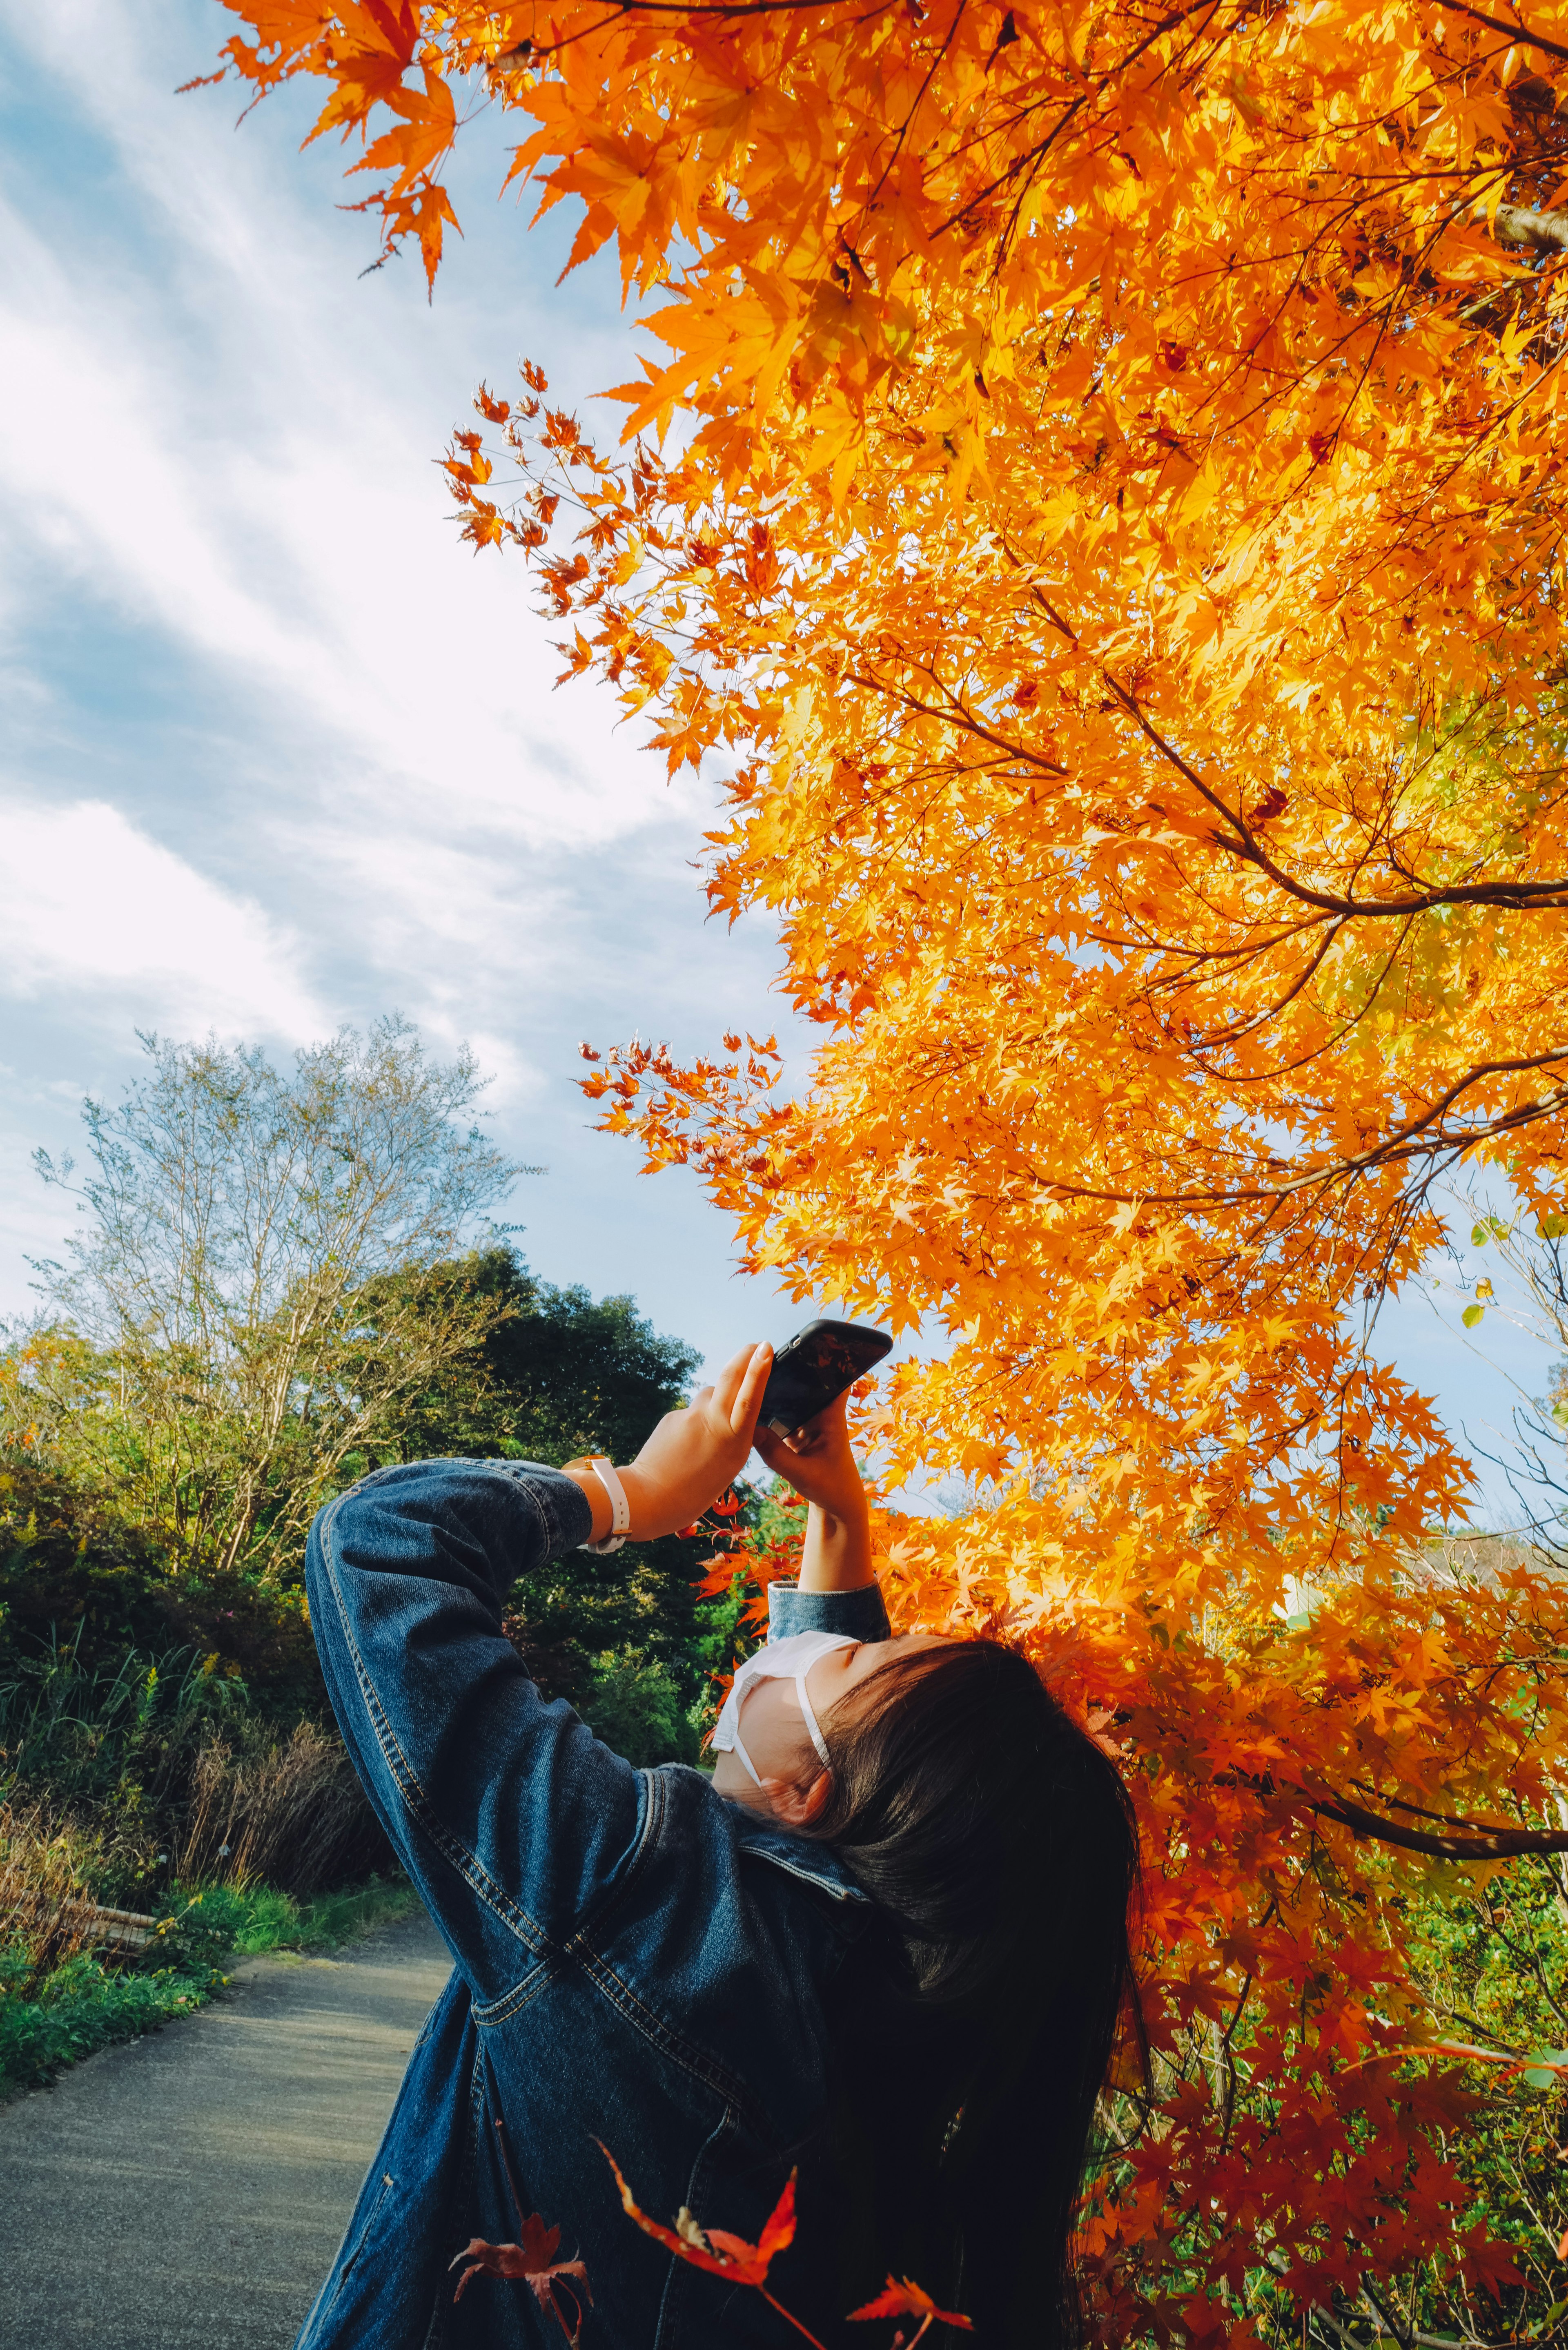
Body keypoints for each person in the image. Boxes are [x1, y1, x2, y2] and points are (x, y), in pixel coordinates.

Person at [294, 1339, 1140, 2350]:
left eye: (859, 1652)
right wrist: (838, 1520)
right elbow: (837, 1812)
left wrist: (625, 1494)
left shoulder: (634, 1893)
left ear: (806, 1792)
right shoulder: (904, 2030)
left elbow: (379, 1542)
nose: (819, 1644)